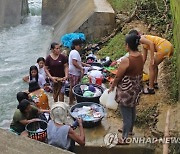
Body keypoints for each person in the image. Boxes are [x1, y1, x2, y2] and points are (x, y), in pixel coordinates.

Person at [108, 34, 144, 144]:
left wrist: (112, 86)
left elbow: (118, 76)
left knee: (126, 115)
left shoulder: (126, 60)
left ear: (127, 45)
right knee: (132, 109)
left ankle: (124, 139)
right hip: (136, 88)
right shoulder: (140, 56)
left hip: (126, 90)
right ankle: (130, 130)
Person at [129, 29, 174, 94]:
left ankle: (150, 88)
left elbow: (151, 44)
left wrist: (152, 58)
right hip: (167, 46)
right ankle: (154, 83)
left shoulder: (141, 38)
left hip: (164, 47)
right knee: (154, 65)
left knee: (151, 67)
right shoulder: (143, 45)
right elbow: (144, 59)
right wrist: (140, 68)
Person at [69, 39, 91, 105]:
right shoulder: (75, 52)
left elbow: (78, 61)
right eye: (80, 45)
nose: (81, 47)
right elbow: (74, 63)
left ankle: (73, 99)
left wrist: (85, 64)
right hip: (74, 73)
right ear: (76, 46)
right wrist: (81, 68)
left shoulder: (73, 52)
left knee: (73, 86)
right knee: (73, 87)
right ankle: (71, 102)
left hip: (73, 72)